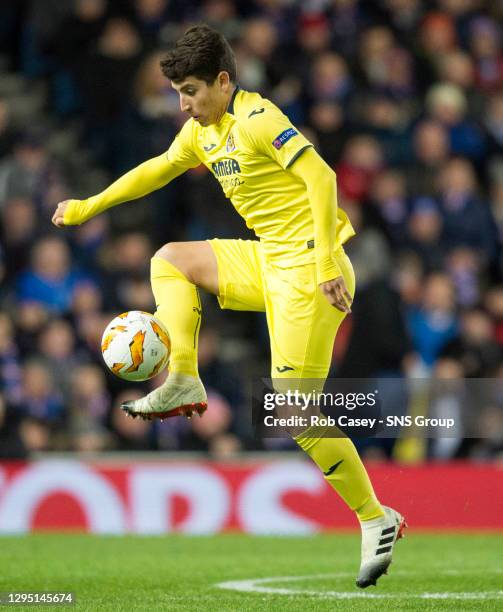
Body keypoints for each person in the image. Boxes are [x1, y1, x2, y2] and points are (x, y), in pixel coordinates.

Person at [52, 24, 405, 588]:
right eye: (178, 94)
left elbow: (322, 176)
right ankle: (185, 378)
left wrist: (323, 265)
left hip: (314, 271)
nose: (186, 104)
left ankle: (373, 517)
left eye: (192, 90)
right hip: (270, 261)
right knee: (170, 259)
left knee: (291, 410)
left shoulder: (259, 119)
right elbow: (156, 170)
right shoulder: (202, 132)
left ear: (223, 80)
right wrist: (89, 206)